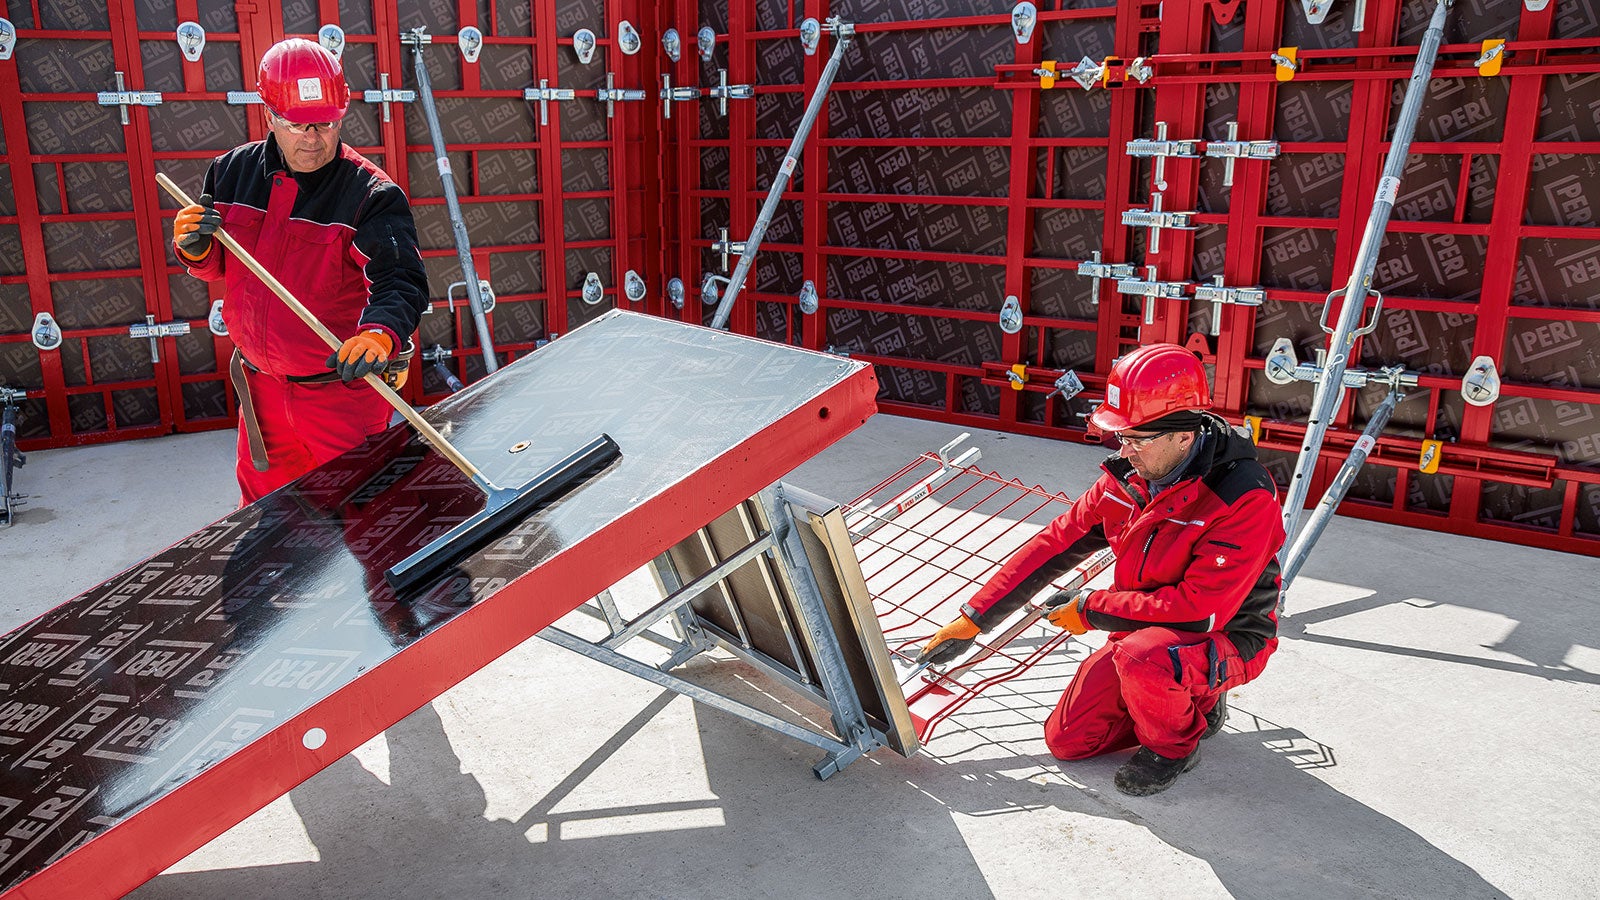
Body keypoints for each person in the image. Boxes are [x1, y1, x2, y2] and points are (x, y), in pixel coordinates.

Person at [919, 343, 1285, 796]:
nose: (1125, 450)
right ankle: (1182, 695)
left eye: (1135, 439)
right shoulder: (1129, 481)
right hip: (1144, 632)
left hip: (1226, 636)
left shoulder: (1243, 497)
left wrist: (1092, 609)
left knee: (1144, 659)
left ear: (1183, 437)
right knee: (1069, 741)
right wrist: (976, 617)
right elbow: (1054, 545)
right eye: (1120, 437)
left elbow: (1200, 613)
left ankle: (1175, 745)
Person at [171, 37, 427, 504]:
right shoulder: (229, 174)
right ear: (268, 115)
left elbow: (400, 279)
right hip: (262, 396)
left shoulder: (370, 195)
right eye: (298, 124)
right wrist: (195, 248)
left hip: (340, 395)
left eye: (326, 123)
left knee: (364, 523)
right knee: (270, 528)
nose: (314, 137)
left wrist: (379, 336)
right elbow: (220, 270)